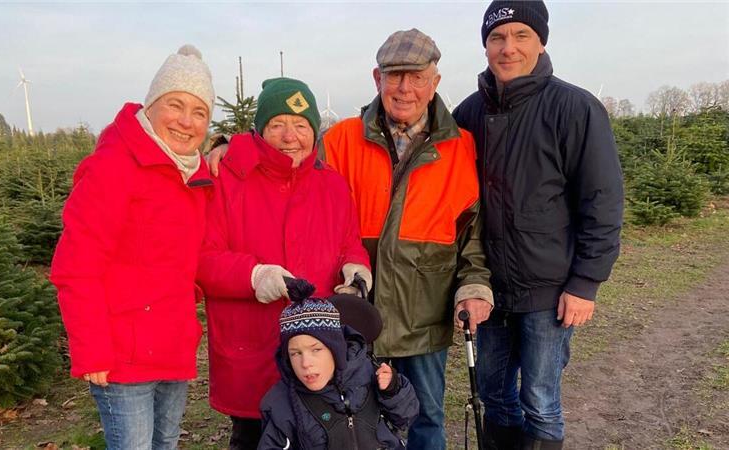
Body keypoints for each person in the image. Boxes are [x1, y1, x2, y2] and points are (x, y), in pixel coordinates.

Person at [452, 2, 624, 448]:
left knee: (541, 399)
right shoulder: (468, 114)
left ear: (541, 41)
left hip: (549, 291)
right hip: (488, 289)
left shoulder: (575, 108)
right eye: (497, 38)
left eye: (520, 35)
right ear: (486, 46)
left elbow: (602, 202)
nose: (508, 48)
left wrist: (585, 282)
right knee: (493, 395)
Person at [319, 29, 493, 450]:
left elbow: (471, 235)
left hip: (424, 320)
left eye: (417, 77)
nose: (405, 88)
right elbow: (295, 183)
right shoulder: (339, 141)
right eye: (395, 75)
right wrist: (226, 147)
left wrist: (474, 288)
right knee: (351, 417)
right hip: (357, 317)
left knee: (426, 416)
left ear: (435, 82)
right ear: (376, 79)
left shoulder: (462, 148)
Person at [50, 45, 215, 449]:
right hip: (123, 353)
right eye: (175, 105)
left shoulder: (194, 177)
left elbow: (187, 260)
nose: (186, 121)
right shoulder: (114, 168)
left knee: (167, 442)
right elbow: (76, 266)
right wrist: (91, 350)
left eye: (199, 112)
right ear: (151, 106)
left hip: (173, 345)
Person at [196, 77, 372, 450]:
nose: (290, 136)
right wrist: (254, 275)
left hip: (314, 348)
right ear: (260, 130)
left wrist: (356, 268)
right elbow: (201, 259)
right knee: (255, 438)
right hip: (252, 345)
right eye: (278, 125)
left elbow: (349, 245)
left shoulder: (333, 185)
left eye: (301, 125)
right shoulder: (225, 178)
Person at [258, 289, 419, 450]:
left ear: (335, 349)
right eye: (295, 353)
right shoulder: (282, 403)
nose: (305, 363)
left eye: (316, 350)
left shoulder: (369, 374)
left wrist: (392, 390)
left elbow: (405, 417)